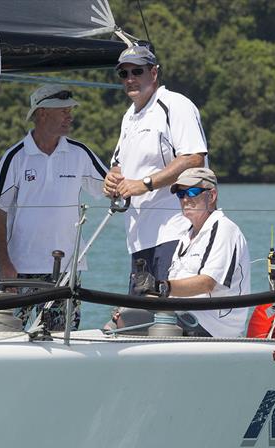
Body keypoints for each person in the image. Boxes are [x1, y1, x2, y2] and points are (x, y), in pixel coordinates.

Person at [0, 84, 106, 330]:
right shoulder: (15, 156)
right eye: (63, 111)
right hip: (19, 269)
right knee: (8, 336)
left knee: (62, 337)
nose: (69, 116)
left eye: (70, 110)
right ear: (42, 114)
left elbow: (111, 186)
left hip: (66, 270)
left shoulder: (80, 153)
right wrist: (4, 264)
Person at [102, 43, 208, 293]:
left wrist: (145, 184)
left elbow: (194, 158)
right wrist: (111, 179)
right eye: (123, 74)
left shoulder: (175, 104)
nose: (130, 79)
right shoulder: (129, 116)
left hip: (175, 232)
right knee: (140, 318)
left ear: (154, 72)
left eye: (136, 71)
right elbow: (118, 165)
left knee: (168, 319)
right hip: (139, 239)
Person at [117, 168, 251, 337]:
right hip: (183, 316)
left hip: (212, 326)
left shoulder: (224, 229)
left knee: (126, 323)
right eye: (181, 194)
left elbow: (207, 283)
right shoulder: (186, 236)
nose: (186, 199)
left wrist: (160, 286)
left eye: (192, 191)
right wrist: (131, 305)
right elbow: (171, 292)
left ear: (212, 196)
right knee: (122, 316)